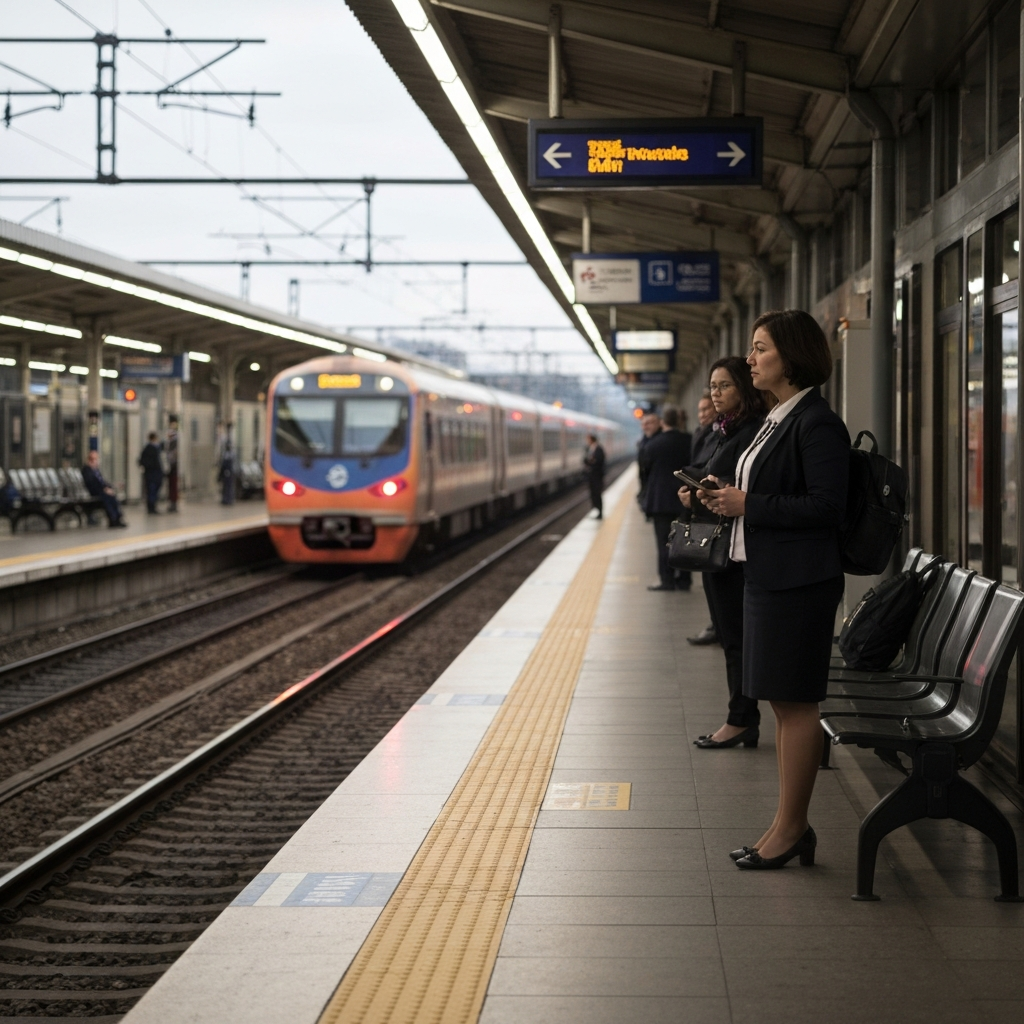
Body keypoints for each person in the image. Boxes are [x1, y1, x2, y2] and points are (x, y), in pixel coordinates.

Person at [697, 309, 848, 870]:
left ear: (791, 355)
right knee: (784, 705)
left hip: (798, 583)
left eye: (760, 349)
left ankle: (791, 829)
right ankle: (787, 824)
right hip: (769, 575)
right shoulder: (779, 417)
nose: (751, 358)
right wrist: (728, 493)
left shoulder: (816, 421)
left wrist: (747, 504)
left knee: (796, 704)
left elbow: (827, 506)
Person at [679, 357, 767, 742]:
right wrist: (699, 491)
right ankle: (741, 715)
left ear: (745, 388)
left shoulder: (749, 431)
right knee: (732, 637)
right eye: (713, 387)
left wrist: (706, 493)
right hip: (725, 543)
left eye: (724, 386)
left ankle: (741, 718)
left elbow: (747, 487)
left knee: (735, 638)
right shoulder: (726, 430)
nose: (715, 393)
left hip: (736, 550)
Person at [639, 405, 691, 591]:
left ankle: (667, 581)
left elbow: (645, 472)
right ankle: (684, 580)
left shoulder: (653, 444)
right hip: (685, 498)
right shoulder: (689, 440)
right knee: (684, 541)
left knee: (663, 543)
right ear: (679, 421)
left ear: (662, 422)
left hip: (660, 501)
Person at [686, 392, 721, 645]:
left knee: (715, 572)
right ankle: (717, 624)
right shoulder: (703, 433)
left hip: (716, 510)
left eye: (707, 408)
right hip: (703, 505)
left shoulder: (720, 434)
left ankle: (718, 626)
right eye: (699, 410)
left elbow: (711, 468)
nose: (703, 414)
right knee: (709, 574)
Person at [82, 450, 127, 528]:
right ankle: (113, 519)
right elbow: (92, 484)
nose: (97, 461)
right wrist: (104, 489)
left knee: (112, 497)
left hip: (101, 490)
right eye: (95, 459)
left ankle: (117, 518)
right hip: (95, 491)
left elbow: (102, 482)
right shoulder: (87, 470)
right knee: (108, 498)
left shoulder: (96, 470)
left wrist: (111, 486)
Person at [636, 410, 661, 509]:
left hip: (657, 492)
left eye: (648, 423)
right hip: (648, 489)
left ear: (659, 423)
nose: (645, 427)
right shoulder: (644, 441)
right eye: (643, 424)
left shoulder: (657, 442)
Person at [139, 432, 164, 514]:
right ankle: (151, 507)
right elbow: (143, 461)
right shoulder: (150, 449)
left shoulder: (155, 448)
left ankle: (152, 506)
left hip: (153, 473)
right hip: (152, 474)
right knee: (152, 490)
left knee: (153, 490)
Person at [690, 393, 717, 467]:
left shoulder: (720, 432)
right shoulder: (698, 432)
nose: (702, 415)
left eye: (705, 409)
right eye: (700, 410)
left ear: (716, 408)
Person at [583, 433, 606, 519]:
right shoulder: (589, 448)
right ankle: (596, 509)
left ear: (592, 439)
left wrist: (591, 462)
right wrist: (590, 461)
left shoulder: (599, 449)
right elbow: (586, 460)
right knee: (593, 493)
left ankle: (600, 512)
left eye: (588, 439)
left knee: (597, 493)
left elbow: (599, 461)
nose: (587, 441)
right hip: (591, 476)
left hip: (597, 476)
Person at [166, 415, 180, 513]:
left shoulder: (175, 436)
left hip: (174, 465)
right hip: (171, 465)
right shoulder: (170, 436)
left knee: (173, 486)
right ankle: (172, 503)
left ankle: (174, 504)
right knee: (171, 486)